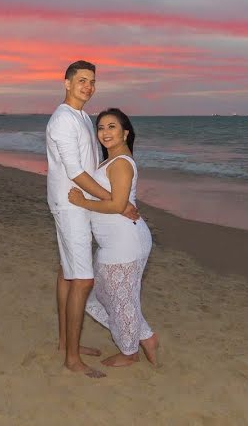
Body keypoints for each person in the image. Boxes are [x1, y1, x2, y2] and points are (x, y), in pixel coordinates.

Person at [46, 61, 139, 378]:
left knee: (67, 272)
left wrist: (113, 199)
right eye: (82, 80)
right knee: (83, 280)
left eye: (93, 81)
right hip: (70, 204)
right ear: (67, 83)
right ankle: (72, 359)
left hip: (78, 203)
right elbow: (75, 171)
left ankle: (64, 343)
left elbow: (93, 163)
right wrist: (115, 202)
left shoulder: (83, 117)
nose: (88, 86)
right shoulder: (62, 120)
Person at [68, 108, 159, 368]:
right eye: (101, 128)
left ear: (125, 132)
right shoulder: (111, 161)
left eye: (112, 127)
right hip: (117, 241)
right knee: (109, 297)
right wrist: (116, 203)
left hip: (124, 243)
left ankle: (130, 352)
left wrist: (83, 201)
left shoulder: (120, 162)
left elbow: (118, 204)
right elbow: (118, 201)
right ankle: (147, 337)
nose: (105, 133)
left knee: (121, 300)